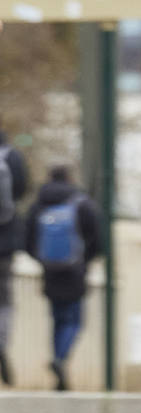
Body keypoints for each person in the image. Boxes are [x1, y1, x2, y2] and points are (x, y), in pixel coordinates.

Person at [25, 165, 102, 391]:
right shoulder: (81, 203)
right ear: (70, 179)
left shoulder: (38, 205)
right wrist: (83, 260)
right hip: (75, 271)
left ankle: (59, 369)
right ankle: (60, 359)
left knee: (57, 319)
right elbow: (97, 239)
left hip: (50, 272)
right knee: (74, 321)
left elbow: (28, 239)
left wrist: (44, 260)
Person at [0, 129, 30, 386]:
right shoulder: (12, 157)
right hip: (4, 245)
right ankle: (1, 342)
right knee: (5, 301)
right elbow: (22, 190)